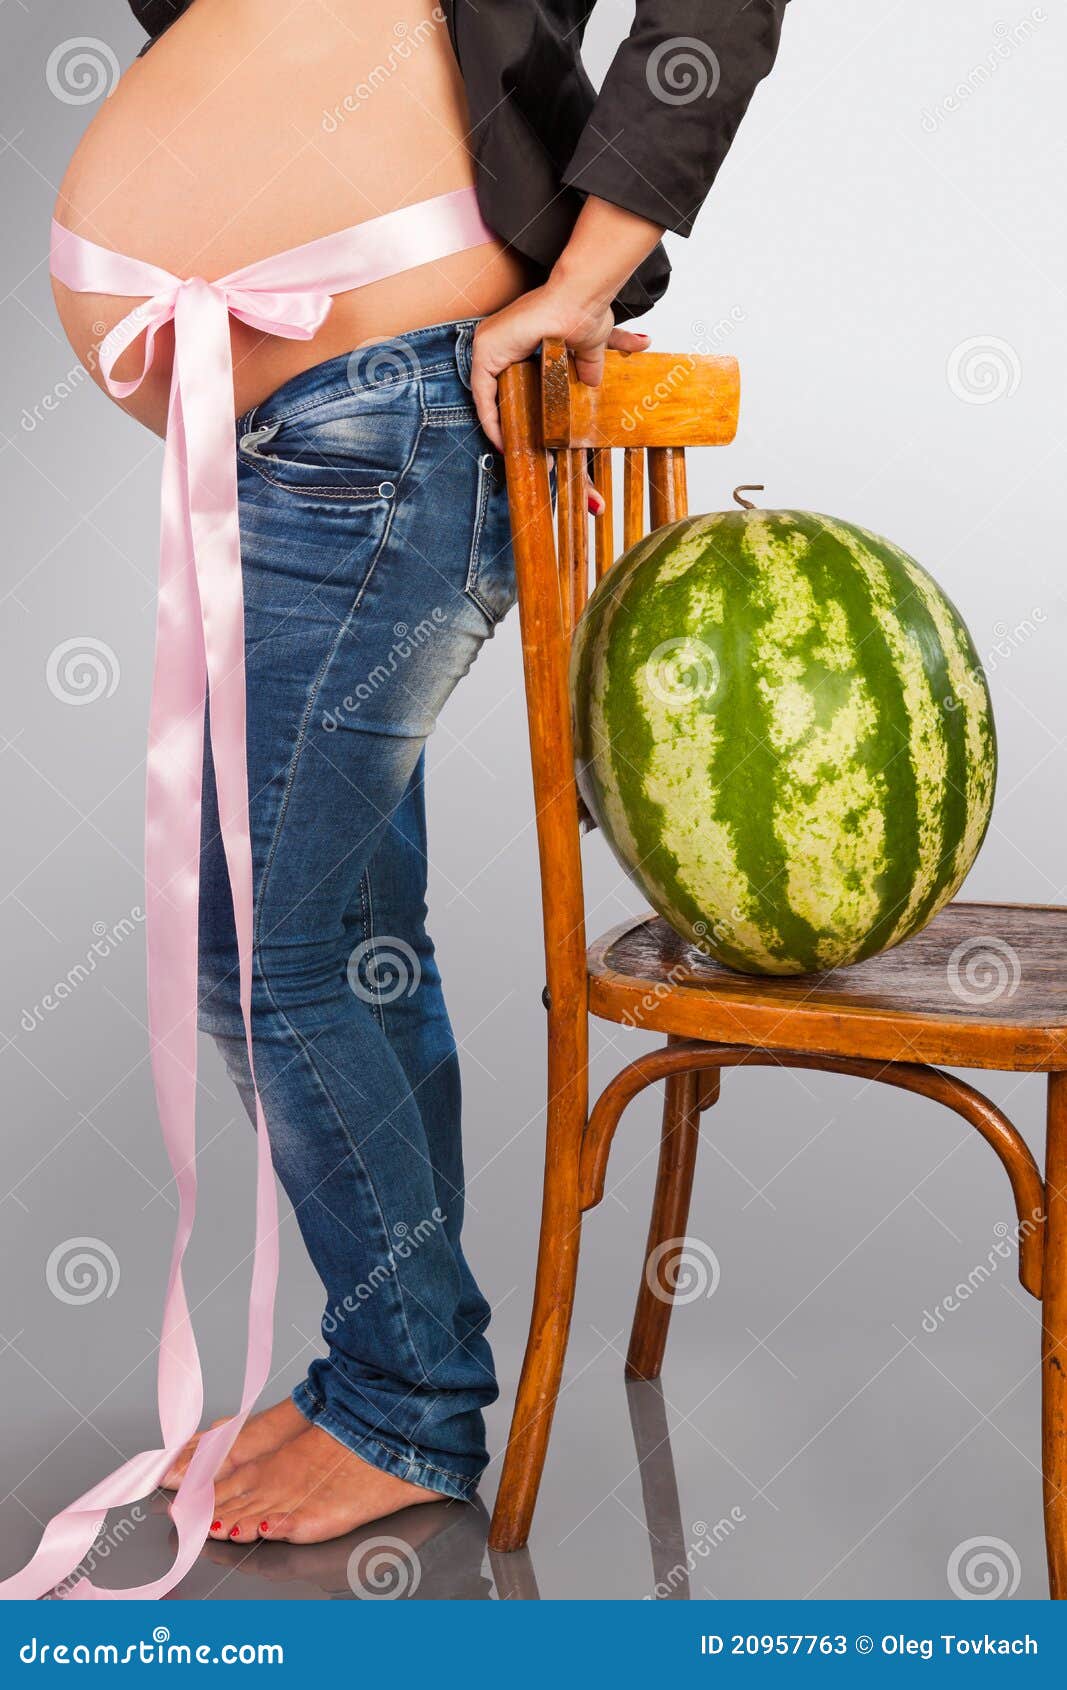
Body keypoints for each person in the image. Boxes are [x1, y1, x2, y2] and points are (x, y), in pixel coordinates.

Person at [46, 0, 789, 1553]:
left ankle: (406, 1394)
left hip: (389, 400)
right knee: (347, 939)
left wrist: (585, 276)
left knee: (262, 944)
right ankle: (385, 1373)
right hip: (301, 415)